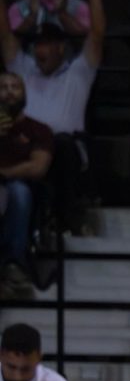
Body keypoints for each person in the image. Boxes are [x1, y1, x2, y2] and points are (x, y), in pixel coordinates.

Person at [0, 0, 104, 237]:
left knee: (61, 145)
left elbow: (96, 34)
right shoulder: (24, 67)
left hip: (67, 146)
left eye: (46, 45)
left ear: (60, 48)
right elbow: (5, 35)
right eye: (36, 45)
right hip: (25, 145)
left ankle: (65, 218)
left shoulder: (78, 71)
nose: (38, 50)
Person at [0, 72, 53, 298]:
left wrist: (4, 173)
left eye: (15, 86)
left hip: (19, 191)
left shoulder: (38, 130)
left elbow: (38, 167)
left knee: (18, 192)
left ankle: (14, 263)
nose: (10, 91)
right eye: (3, 87)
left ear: (24, 94)